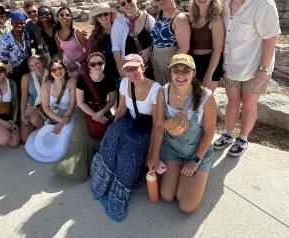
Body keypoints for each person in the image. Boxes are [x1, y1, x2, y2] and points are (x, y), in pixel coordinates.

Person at [213, 0, 281, 157]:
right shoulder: (224, 5)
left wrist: (264, 68)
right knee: (232, 102)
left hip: (255, 66)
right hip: (232, 65)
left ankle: (243, 137)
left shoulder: (262, 3)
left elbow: (270, 37)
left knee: (249, 104)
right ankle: (227, 133)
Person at [91, 53, 161, 221]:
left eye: (134, 68)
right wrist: (114, 128)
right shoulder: (124, 82)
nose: (130, 72)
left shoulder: (156, 89)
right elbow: (121, 108)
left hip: (146, 126)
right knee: (113, 134)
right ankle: (104, 182)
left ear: (143, 67)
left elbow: (158, 123)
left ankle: (120, 188)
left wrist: (154, 154)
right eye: (126, 69)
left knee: (129, 149)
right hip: (129, 119)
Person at [148, 54, 216, 213]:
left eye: (186, 70)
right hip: (172, 148)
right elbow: (158, 126)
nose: (180, 74)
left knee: (186, 206)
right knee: (166, 195)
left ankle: (191, 174)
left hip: (196, 152)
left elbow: (209, 133)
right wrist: (155, 155)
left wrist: (195, 161)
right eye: (176, 70)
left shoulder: (206, 97)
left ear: (194, 73)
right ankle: (178, 172)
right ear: (169, 73)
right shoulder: (163, 92)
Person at [52, 52, 116, 182]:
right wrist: (94, 115)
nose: (97, 66)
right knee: (79, 137)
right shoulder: (83, 79)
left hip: (102, 111)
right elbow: (80, 103)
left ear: (104, 64)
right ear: (89, 66)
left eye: (100, 63)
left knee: (104, 139)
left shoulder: (110, 80)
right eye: (93, 64)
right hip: (85, 112)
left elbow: (111, 102)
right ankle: (73, 169)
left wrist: (101, 113)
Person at [24, 59, 76, 163]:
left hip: (68, 114)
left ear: (64, 69)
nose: (57, 72)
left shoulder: (72, 82)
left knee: (65, 133)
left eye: (60, 68)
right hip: (53, 115)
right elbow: (45, 107)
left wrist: (62, 123)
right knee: (50, 135)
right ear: (51, 73)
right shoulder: (46, 85)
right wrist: (59, 121)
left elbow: (72, 104)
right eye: (54, 70)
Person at [150, 0, 190, 84]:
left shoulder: (179, 18)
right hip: (157, 61)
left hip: (170, 60)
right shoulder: (160, 16)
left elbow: (184, 48)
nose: (161, 0)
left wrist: (172, 67)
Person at [111, 0, 155, 78]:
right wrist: (120, 70)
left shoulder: (148, 19)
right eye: (123, 3)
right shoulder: (118, 23)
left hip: (147, 68)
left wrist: (149, 50)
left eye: (129, 0)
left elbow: (155, 42)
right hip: (128, 70)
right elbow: (116, 49)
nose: (127, 4)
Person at [189, 0, 225, 91]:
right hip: (192, 62)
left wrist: (208, 74)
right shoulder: (192, 17)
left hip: (209, 63)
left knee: (204, 101)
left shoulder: (216, 20)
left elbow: (217, 51)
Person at [0, 11, 31, 92]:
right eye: (16, 23)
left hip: (28, 67)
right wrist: (8, 75)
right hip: (15, 70)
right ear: (11, 22)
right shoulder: (4, 39)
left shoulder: (26, 34)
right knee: (19, 92)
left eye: (22, 23)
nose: (19, 25)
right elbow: (3, 59)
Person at [20, 54, 49, 143]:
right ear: (29, 67)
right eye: (32, 65)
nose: (35, 67)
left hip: (46, 104)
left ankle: (42, 126)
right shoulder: (26, 77)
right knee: (25, 139)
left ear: (43, 62)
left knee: (35, 120)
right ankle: (37, 126)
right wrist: (22, 115)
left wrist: (35, 108)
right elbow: (24, 97)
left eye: (37, 63)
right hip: (31, 104)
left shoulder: (50, 74)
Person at [87, 3, 119, 78]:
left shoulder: (119, 30)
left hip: (121, 68)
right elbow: (90, 54)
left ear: (110, 15)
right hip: (104, 73)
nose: (103, 17)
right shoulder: (95, 36)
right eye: (100, 15)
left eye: (105, 14)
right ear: (97, 18)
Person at [54, 7, 87, 77]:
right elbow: (60, 51)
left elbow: (88, 50)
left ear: (71, 17)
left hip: (81, 64)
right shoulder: (57, 34)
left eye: (67, 15)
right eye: (62, 15)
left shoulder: (77, 32)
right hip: (68, 65)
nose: (64, 17)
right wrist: (62, 64)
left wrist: (77, 63)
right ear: (57, 17)